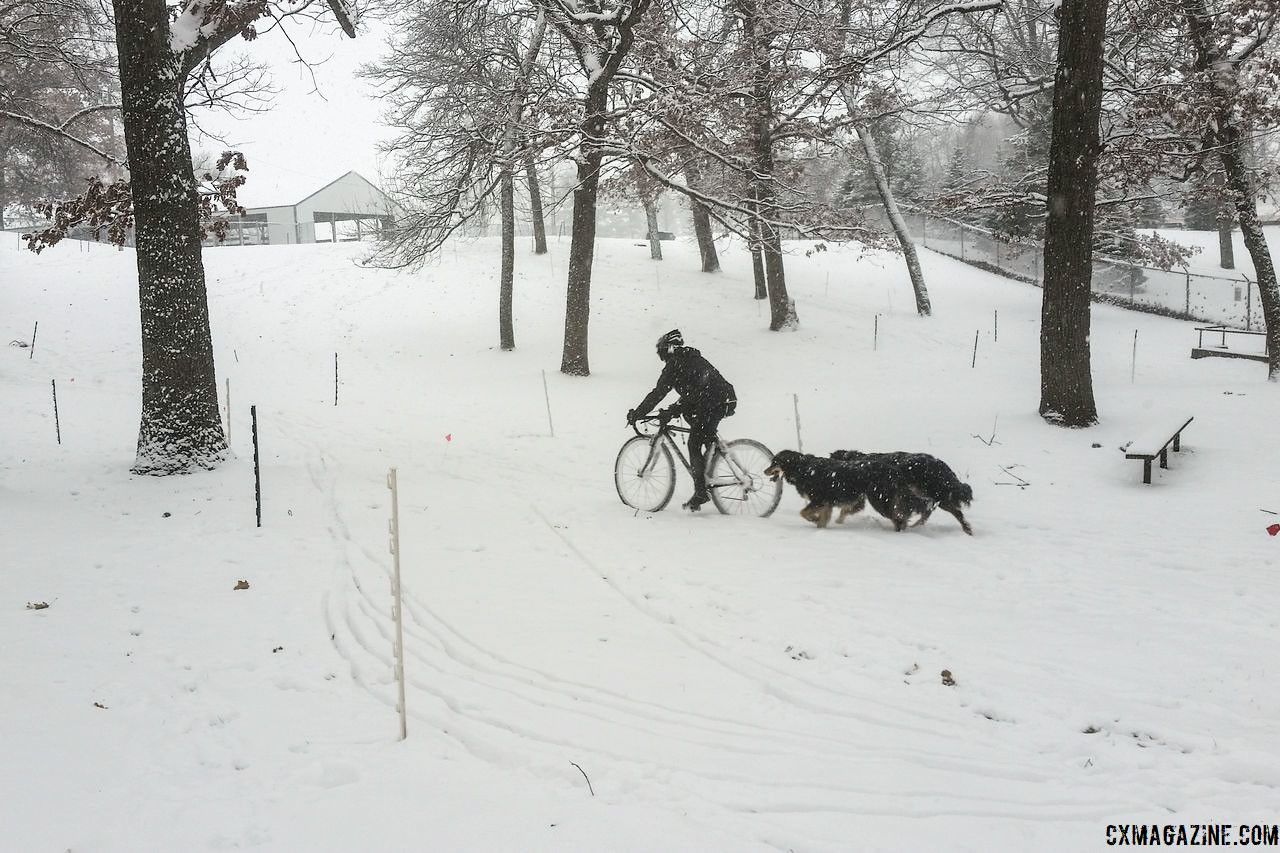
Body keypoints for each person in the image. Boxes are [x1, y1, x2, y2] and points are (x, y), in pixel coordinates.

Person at [627, 329, 736, 510]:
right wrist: (675, 409)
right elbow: (696, 389)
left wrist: (638, 413)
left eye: (661, 351)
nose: (661, 356)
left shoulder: (675, 364)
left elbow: (659, 393)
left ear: (668, 349)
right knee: (698, 427)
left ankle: (701, 491)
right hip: (723, 399)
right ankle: (709, 466)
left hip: (712, 401)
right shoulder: (689, 358)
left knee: (693, 443)